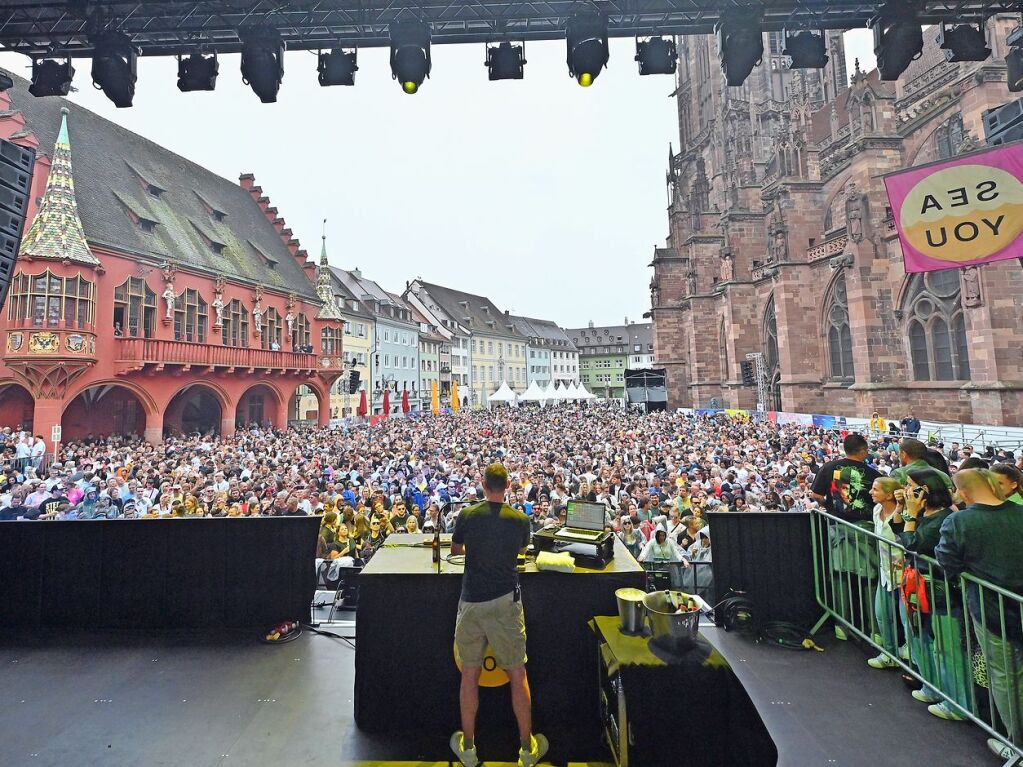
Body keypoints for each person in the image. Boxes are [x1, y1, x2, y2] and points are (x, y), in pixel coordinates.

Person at [449, 463, 547, 767]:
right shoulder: (520, 520)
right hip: (506, 601)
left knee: (469, 674)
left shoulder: (467, 515)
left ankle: (468, 748)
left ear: (483, 483)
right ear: (507, 486)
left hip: (471, 602)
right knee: (517, 674)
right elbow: (521, 551)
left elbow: (455, 550)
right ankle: (526, 750)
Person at [936, 469, 1023, 759]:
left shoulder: (959, 522)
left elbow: (947, 560)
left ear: (963, 493)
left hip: (990, 611)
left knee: (1004, 676)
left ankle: (1017, 746)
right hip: (1011, 606)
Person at [898, 468, 969, 722]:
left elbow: (912, 544)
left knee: (945, 648)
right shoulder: (923, 514)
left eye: (909, 486)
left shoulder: (942, 518)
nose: (905, 490)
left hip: (938, 591)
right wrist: (904, 509)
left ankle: (958, 703)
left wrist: (912, 514)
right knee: (920, 640)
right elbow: (899, 529)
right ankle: (933, 688)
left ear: (925, 490)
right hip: (917, 586)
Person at [810, 433, 882, 640]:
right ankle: (875, 631)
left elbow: (815, 495)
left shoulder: (829, 467)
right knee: (870, 577)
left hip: (837, 527)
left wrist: (830, 508)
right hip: (865, 528)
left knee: (839, 575)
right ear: (862, 451)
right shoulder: (871, 472)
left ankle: (842, 627)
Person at [865, 476, 904, 671]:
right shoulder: (876, 510)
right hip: (885, 571)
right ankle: (890, 654)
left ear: (889, 494)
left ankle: (915, 664)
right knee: (882, 615)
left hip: (905, 574)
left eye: (875, 489)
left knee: (909, 623)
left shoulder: (902, 513)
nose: (871, 492)